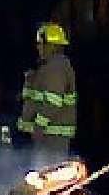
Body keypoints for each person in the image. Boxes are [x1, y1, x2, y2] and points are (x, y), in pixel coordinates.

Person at [16, 22, 77, 156]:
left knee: (47, 172)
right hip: (48, 137)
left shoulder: (55, 68)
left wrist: (38, 127)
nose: (38, 47)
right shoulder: (50, 66)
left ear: (51, 45)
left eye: (40, 43)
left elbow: (53, 103)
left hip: (51, 138)